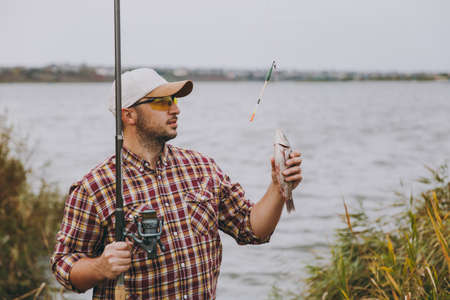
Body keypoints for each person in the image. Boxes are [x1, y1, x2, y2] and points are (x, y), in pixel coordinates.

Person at [50, 68, 303, 299]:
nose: (175, 109)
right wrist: (99, 267)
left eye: (175, 100)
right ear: (129, 115)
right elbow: (63, 265)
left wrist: (278, 187)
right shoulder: (95, 187)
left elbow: (252, 229)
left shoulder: (202, 167)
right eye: (162, 102)